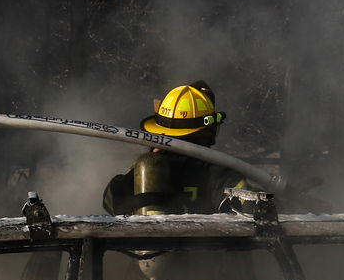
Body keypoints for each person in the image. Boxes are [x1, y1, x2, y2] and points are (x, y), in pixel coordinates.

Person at [102, 81, 258, 216]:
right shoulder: (216, 171)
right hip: (203, 249)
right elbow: (253, 206)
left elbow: (111, 201)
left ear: (158, 128)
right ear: (208, 131)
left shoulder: (146, 167)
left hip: (144, 247)